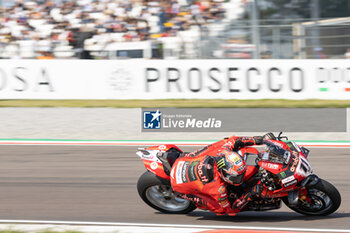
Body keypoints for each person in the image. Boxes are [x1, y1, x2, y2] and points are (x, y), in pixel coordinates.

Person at [170, 133, 276, 216]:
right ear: (224, 174)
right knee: (220, 209)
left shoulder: (223, 150)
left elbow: (234, 139)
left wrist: (259, 140)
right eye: (237, 177)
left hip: (183, 161)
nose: (241, 178)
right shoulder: (218, 189)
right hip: (179, 186)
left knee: (220, 143)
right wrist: (249, 194)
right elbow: (230, 210)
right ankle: (188, 196)